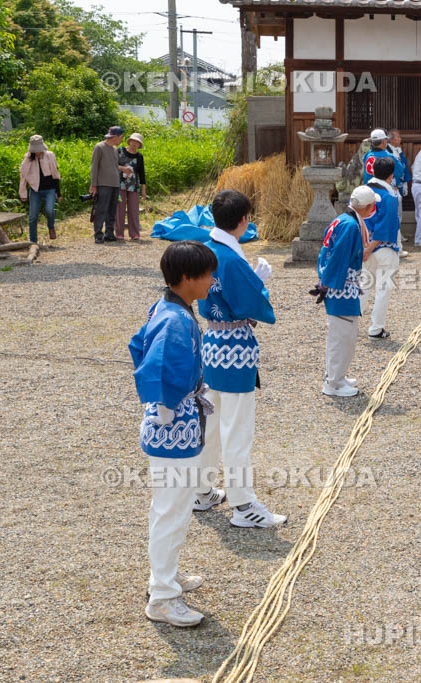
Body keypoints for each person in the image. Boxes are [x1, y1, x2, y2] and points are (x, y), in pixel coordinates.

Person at [129, 240, 217, 627]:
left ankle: (165, 577)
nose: (213, 281)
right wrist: (165, 402)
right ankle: (162, 596)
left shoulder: (168, 307)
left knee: (172, 509)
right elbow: (157, 364)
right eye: (207, 274)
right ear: (186, 278)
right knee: (171, 510)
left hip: (174, 424)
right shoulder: (176, 319)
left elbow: (137, 345)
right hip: (172, 427)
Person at [194, 190, 284, 529]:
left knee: (212, 424)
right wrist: (258, 283)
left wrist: (252, 281)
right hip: (235, 348)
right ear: (243, 220)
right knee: (237, 429)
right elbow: (249, 302)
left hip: (211, 343)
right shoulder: (231, 259)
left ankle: (202, 491)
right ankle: (244, 504)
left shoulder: (207, 249)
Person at [315, 185, 378, 398]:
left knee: (344, 334)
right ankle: (332, 383)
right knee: (342, 336)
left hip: (339, 283)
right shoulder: (351, 226)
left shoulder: (341, 219)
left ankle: (338, 376)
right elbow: (338, 258)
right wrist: (328, 284)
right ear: (369, 208)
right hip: (341, 287)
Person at [363, 157, 401, 340]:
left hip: (363, 245)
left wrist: (364, 249)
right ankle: (376, 329)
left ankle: (349, 323)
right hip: (384, 248)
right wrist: (370, 248)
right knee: (382, 289)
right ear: (391, 175)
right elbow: (385, 228)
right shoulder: (390, 197)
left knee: (364, 285)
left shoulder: (362, 192)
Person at [90, 125, 134, 244]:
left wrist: (124, 170)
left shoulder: (115, 149)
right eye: (121, 137)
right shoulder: (99, 147)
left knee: (112, 210)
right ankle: (98, 234)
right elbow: (94, 167)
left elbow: (115, 166)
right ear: (115, 137)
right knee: (101, 210)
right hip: (103, 184)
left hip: (115, 184)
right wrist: (93, 185)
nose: (121, 140)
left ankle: (109, 233)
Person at [18, 135, 61, 243]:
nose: (37, 152)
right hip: (35, 190)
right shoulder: (27, 158)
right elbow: (23, 176)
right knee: (33, 216)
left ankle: (51, 227)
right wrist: (23, 193)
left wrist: (58, 192)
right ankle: (33, 242)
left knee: (49, 210)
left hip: (50, 189)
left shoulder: (50, 155)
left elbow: (55, 174)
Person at [116, 132, 147, 240]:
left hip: (134, 186)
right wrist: (123, 169)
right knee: (119, 209)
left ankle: (134, 234)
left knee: (133, 210)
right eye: (133, 141)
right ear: (129, 141)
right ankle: (119, 233)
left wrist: (143, 189)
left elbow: (142, 173)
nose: (135, 143)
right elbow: (113, 165)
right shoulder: (119, 151)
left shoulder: (139, 156)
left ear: (139, 145)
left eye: (137, 142)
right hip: (119, 185)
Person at [386, 129, 411, 257]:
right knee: (395, 212)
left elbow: (404, 166)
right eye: (398, 137)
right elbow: (395, 168)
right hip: (391, 183)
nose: (400, 139)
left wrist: (405, 182)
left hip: (399, 183)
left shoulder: (398, 150)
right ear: (391, 140)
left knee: (399, 212)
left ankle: (398, 233)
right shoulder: (387, 151)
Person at [363, 129, 406, 195]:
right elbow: (400, 171)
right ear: (383, 141)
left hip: (368, 191)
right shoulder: (388, 156)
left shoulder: (367, 155)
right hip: (384, 191)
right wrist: (395, 184)